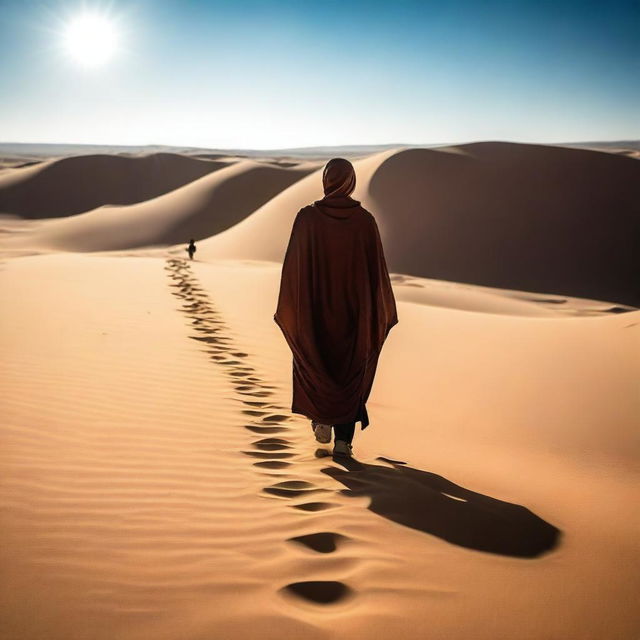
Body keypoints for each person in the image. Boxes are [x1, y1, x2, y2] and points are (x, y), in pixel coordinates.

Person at [273, 158, 398, 458]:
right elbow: (376, 276)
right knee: (350, 370)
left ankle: (321, 421)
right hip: (355, 317)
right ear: (351, 182)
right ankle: (344, 442)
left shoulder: (307, 219)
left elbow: (294, 271)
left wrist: (299, 310)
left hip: (314, 315)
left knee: (314, 361)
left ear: (326, 181)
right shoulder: (365, 222)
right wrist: (375, 315)